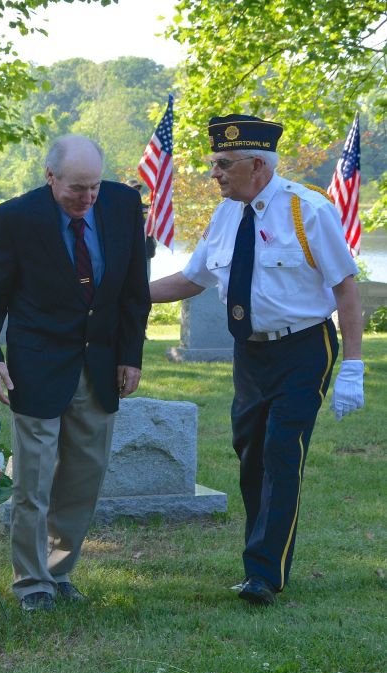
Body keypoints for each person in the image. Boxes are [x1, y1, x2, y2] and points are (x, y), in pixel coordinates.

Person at [150, 114, 364, 606]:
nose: (215, 174)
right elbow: (190, 279)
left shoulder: (308, 210)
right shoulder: (227, 214)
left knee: (281, 452)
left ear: (257, 165)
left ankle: (264, 574)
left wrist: (352, 366)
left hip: (303, 348)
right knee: (250, 455)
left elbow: (346, 291)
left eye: (223, 164)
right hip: (249, 352)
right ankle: (259, 559)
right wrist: (125, 295)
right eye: (214, 164)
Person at [0, 135, 150, 611]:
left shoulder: (124, 204)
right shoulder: (16, 218)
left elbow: (135, 289)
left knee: (84, 478)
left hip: (101, 365)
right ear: (50, 178)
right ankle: (31, 584)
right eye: (76, 189)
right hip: (36, 366)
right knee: (35, 480)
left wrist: (131, 355)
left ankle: (59, 571)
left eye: (94, 187)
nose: (87, 198)